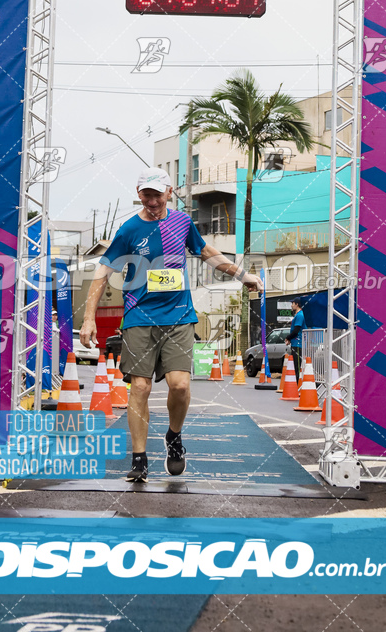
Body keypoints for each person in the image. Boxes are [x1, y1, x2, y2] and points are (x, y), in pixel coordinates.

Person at [79, 167, 263, 483]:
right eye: (145, 194)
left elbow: (206, 252)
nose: (152, 200)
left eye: (156, 193)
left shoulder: (182, 222)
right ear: (139, 195)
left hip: (178, 316)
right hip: (139, 318)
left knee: (179, 385)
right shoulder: (129, 229)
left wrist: (242, 275)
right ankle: (139, 459)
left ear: (169, 192)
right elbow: (103, 270)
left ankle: (174, 437)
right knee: (140, 387)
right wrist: (87, 319)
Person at [288, 297, 307, 382]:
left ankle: (298, 386)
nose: (291, 305)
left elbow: (296, 330)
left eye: (293, 303)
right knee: (295, 365)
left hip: (298, 344)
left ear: (297, 304)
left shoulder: (300, 315)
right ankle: (296, 385)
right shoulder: (297, 315)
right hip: (295, 343)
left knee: (297, 366)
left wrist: (288, 338)